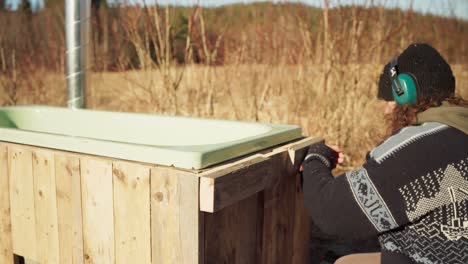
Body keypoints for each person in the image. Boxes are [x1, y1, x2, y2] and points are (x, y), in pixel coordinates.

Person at [301, 43, 468, 264]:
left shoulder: (417, 148)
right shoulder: (459, 130)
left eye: (391, 98)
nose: (386, 109)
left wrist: (316, 158)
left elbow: (331, 212)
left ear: (405, 94)